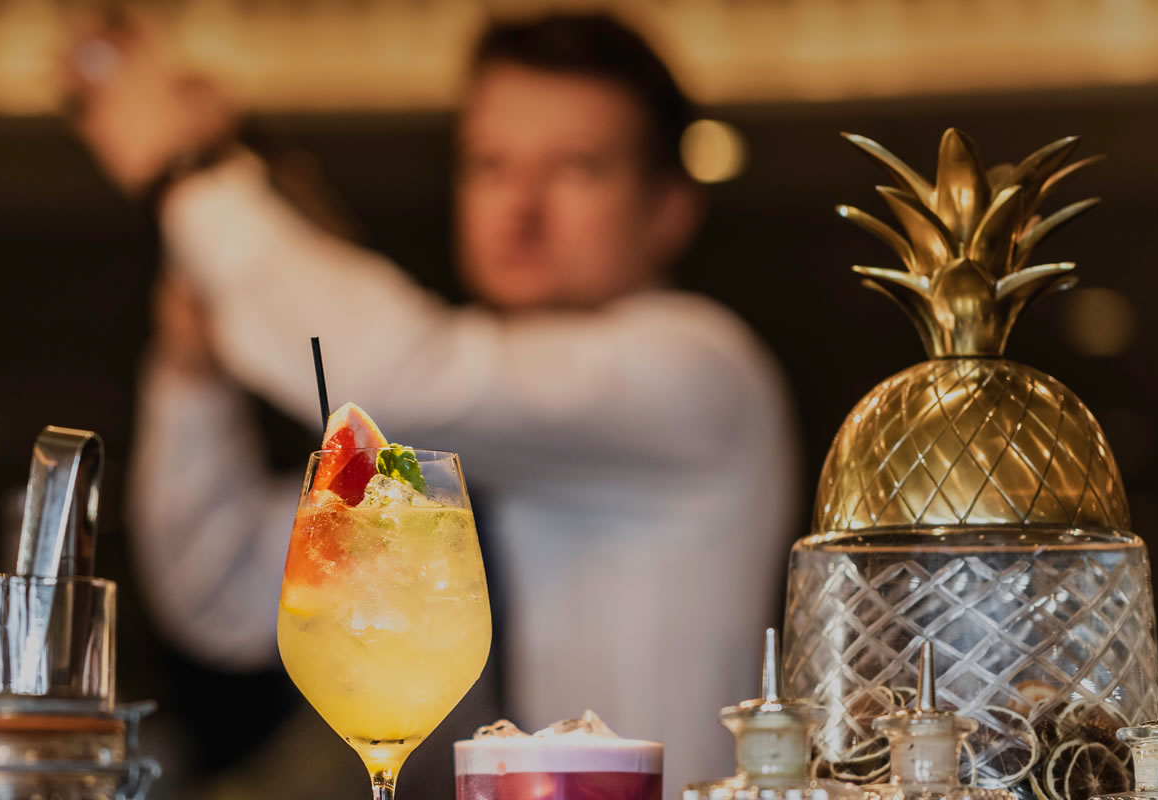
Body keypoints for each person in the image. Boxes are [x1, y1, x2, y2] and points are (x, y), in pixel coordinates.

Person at [68, 11, 799, 794]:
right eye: (490, 165)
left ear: (671, 208)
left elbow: (400, 369)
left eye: (577, 168)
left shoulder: (695, 367)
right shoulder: (467, 433)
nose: (521, 206)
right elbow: (223, 592)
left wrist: (189, 176)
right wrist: (194, 371)